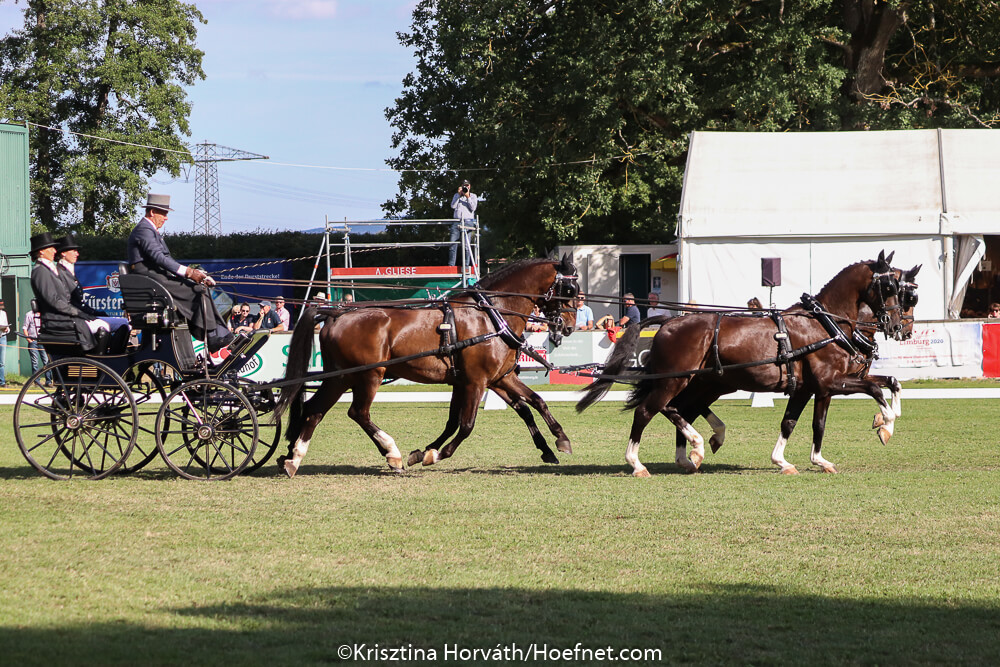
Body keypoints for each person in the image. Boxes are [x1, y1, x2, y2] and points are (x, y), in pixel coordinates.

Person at [126, 193, 235, 360]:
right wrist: (189, 272)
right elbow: (158, 258)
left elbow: (166, 260)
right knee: (197, 290)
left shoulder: (151, 231)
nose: (166, 218)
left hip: (156, 275)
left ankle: (216, 332)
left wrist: (195, 274)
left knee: (200, 288)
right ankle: (212, 335)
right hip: (149, 278)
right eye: (164, 213)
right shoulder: (144, 229)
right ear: (152, 212)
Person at [29, 232, 106, 354]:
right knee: (104, 326)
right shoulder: (40, 271)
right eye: (51, 248)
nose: (55, 251)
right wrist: (77, 312)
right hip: (57, 320)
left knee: (113, 324)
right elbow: (53, 300)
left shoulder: (48, 269)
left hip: (63, 317)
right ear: (42, 251)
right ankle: (98, 358)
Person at [56, 233, 130, 351]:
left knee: (124, 323)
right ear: (63, 253)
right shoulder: (59, 273)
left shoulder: (69, 271)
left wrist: (96, 312)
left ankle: (116, 354)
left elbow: (80, 303)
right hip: (73, 319)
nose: (77, 254)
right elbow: (67, 302)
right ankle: (99, 357)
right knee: (103, 325)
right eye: (74, 251)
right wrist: (86, 314)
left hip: (82, 314)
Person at [22, 301, 52, 385]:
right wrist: (28, 338)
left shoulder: (44, 314)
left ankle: (48, 381)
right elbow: (25, 327)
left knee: (46, 361)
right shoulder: (29, 314)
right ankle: (36, 381)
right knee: (35, 362)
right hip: (33, 340)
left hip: (43, 341)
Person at [448, 178, 477, 266]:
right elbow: (453, 206)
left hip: (467, 222)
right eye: (464, 186)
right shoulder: (456, 195)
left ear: (470, 186)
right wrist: (458, 195)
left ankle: (466, 265)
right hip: (456, 222)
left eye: (467, 185)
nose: (466, 187)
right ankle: (451, 265)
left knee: (466, 245)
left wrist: (468, 197)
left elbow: (473, 208)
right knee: (452, 244)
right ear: (461, 186)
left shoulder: (473, 196)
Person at [0, 298, 8, 387]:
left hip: (2, 337)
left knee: (2, 362)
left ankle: (2, 381)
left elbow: (6, 325)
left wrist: (6, 329)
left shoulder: (4, 313)